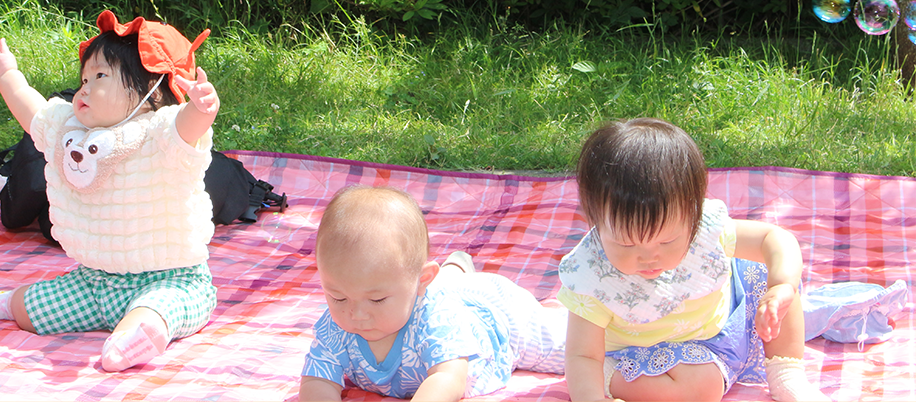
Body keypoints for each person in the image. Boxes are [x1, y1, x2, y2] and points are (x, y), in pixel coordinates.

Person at [0, 10, 220, 372]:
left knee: (157, 310)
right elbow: (33, 112)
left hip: (171, 279)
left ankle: (134, 338)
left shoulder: (162, 132)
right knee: (35, 308)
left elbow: (188, 127)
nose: (84, 87)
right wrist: (8, 74)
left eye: (100, 76)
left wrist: (201, 108)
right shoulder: (71, 132)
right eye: (84, 78)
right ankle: (8, 303)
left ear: (151, 89)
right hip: (95, 281)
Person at [558, 118, 829, 402]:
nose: (649, 256)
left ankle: (786, 374)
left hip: (726, 323)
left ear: (693, 214)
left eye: (667, 240)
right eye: (626, 243)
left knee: (772, 278)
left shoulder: (706, 229)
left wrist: (782, 285)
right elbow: (583, 355)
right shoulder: (591, 275)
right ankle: (608, 376)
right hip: (644, 354)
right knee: (701, 389)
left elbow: (774, 238)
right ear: (596, 224)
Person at [299, 185, 567, 401]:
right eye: (337, 297)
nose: (356, 314)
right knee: (440, 286)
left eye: (377, 299)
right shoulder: (334, 327)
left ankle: (454, 273)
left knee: (569, 349)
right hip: (433, 289)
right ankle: (454, 269)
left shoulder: (436, 318)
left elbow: (448, 377)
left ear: (421, 281)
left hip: (501, 320)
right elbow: (317, 379)